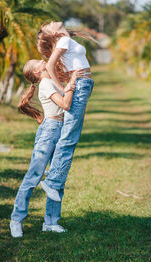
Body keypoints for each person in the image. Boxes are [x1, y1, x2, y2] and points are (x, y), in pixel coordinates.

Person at [10, 59, 83, 237]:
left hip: (61, 130)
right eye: (39, 61)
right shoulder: (45, 84)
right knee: (34, 176)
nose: (44, 60)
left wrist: (70, 80)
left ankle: (51, 222)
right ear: (37, 71)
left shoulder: (52, 81)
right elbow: (65, 104)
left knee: (57, 176)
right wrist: (72, 83)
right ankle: (16, 220)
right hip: (50, 131)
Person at [37, 21, 95, 201]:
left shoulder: (66, 40)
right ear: (54, 33)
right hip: (80, 85)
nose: (52, 22)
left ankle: (53, 176)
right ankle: (53, 181)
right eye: (49, 25)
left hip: (83, 84)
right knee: (69, 137)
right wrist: (62, 88)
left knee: (70, 135)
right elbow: (49, 66)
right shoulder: (63, 41)